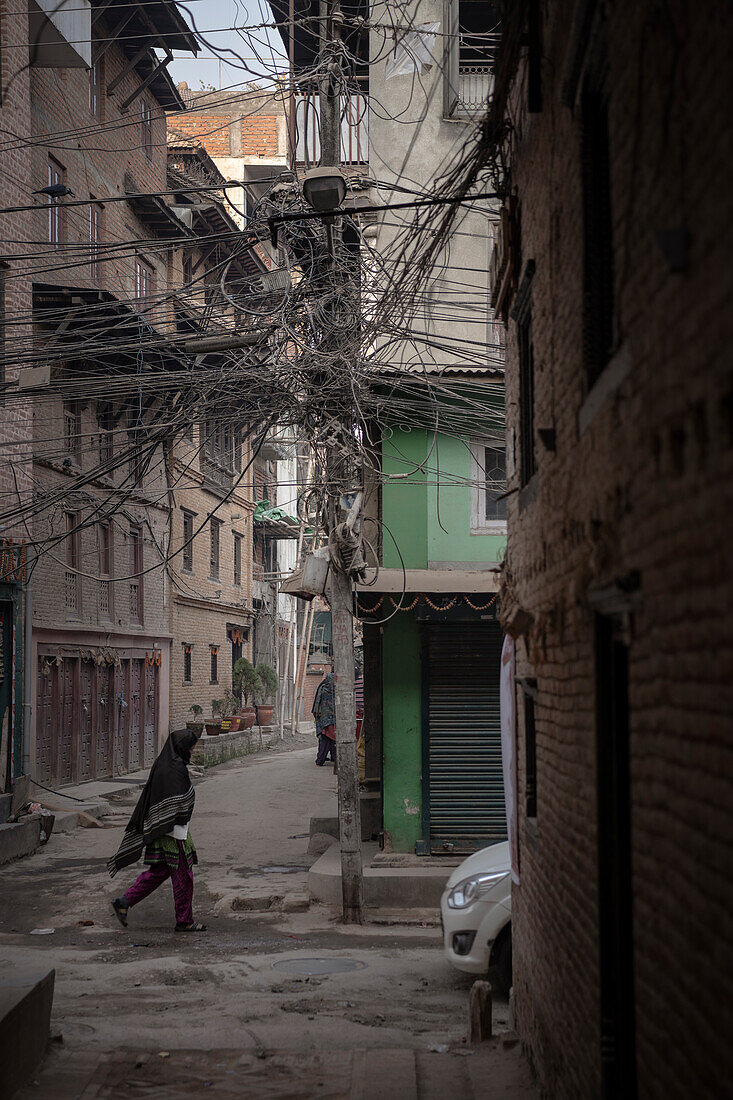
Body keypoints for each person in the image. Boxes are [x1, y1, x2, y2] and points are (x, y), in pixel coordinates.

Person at [107, 729, 206, 933]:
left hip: (164, 829)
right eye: (191, 748)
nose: (192, 752)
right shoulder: (174, 769)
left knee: (159, 872)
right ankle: (184, 920)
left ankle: (124, 902)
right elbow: (178, 801)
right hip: (173, 832)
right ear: (182, 748)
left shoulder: (164, 764)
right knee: (183, 877)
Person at [312, 670, 336, 767]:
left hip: (323, 719)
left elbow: (316, 705)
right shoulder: (334, 691)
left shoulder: (322, 689)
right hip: (331, 720)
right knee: (330, 740)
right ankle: (322, 759)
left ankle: (323, 759)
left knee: (326, 740)